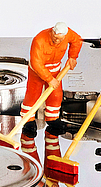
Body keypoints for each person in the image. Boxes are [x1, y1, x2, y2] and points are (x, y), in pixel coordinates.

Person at [20, 22, 82, 166]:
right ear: (52, 32)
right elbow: (36, 63)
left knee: (56, 96)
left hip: (56, 71)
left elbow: (77, 40)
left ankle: (52, 119)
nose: (57, 41)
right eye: (55, 38)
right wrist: (49, 79)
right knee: (32, 96)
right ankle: (28, 121)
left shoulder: (68, 35)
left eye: (60, 39)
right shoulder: (39, 39)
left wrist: (73, 56)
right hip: (38, 72)